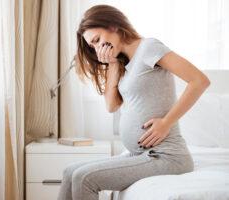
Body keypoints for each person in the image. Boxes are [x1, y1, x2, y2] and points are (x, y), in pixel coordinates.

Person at [57, 4, 210, 200]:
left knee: (84, 178)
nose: (97, 49)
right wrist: (112, 63)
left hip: (166, 156)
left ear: (113, 26)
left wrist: (167, 123)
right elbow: (111, 106)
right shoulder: (123, 63)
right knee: (70, 172)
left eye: (97, 40)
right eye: (93, 46)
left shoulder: (149, 47)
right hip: (140, 154)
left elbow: (199, 81)